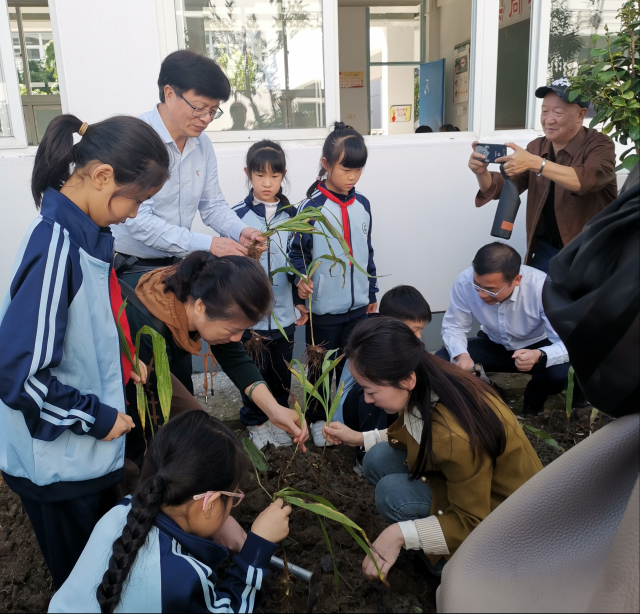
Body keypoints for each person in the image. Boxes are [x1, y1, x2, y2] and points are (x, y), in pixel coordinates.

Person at [0, 114, 170, 589]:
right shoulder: (56, 247)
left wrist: (121, 357)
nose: (135, 213)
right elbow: (19, 373)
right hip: (58, 464)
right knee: (81, 583)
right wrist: (94, 416)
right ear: (101, 177)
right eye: (135, 200)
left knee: (100, 572)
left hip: (81, 456)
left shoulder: (81, 236)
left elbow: (82, 323)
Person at [323, 318, 542, 579]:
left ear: (406, 380)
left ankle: (446, 566)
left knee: (391, 495)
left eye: (370, 391)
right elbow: (413, 430)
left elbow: (472, 521)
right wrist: (360, 438)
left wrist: (400, 534)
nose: (367, 400)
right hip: (471, 481)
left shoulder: (453, 435)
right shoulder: (429, 377)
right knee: (377, 457)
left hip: (503, 517)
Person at [49, 411, 292, 613]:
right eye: (233, 498)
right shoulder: (182, 578)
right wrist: (256, 550)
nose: (233, 506)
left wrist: (219, 521)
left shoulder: (120, 513)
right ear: (207, 504)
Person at [123, 251, 309, 464]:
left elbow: (235, 358)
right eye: (233, 330)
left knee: (193, 425)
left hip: (156, 364)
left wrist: (274, 410)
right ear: (201, 307)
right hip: (128, 375)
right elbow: (147, 414)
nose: (238, 338)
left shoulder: (203, 288)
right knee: (147, 443)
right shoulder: (147, 334)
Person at [112, 50, 264, 264]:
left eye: (213, 111)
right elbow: (139, 221)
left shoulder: (203, 144)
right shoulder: (138, 139)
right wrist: (208, 244)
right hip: (131, 262)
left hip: (176, 260)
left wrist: (240, 231)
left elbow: (213, 205)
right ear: (169, 94)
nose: (206, 119)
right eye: (199, 108)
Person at [289, 121, 378, 447]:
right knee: (321, 368)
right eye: (346, 169)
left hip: (358, 308)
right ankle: (317, 420)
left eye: (359, 169)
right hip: (324, 308)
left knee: (355, 365)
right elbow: (295, 254)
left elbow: (367, 252)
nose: (353, 177)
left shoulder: (363, 205)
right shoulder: (310, 208)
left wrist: (371, 293)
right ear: (326, 165)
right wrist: (300, 285)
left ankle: (344, 419)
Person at [469, 76, 617, 272]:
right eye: (545, 110)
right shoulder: (536, 147)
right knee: (536, 300)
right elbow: (505, 187)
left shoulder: (600, 145)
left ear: (581, 115)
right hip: (546, 251)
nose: (549, 119)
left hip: (591, 253)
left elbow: (585, 180)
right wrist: (481, 172)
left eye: (558, 111)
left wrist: (536, 163)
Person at [230, 140, 309, 449]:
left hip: (284, 315)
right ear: (248, 174)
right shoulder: (234, 217)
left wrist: (300, 294)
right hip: (249, 318)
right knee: (253, 372)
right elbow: (229, 268)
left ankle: (278, 420)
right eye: (259, 175)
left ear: (283, 175)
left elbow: (296, 261)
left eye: (274, 176)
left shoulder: (293, 216)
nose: (267, 182)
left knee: (279, 373)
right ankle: (255, 423)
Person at [435, 242, 570, 416]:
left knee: (559, 373)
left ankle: (533, 403)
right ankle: (492, 392)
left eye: (490, 290)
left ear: (517, 280)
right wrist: (462, 356)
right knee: (444, 361)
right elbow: (454, 326)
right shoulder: (464, 281)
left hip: (535, 346)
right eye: (477, 285)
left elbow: (567, 343)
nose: (481, 295)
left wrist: (540, 355)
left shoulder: (542, 287)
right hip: (494, 343)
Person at [335, 285, 432, 463]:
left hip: (392, 412)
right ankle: (365, 454)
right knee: (373, 395)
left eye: (421, 330)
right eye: (412, 330)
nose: (417, 337)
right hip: (357, 412)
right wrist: (339, 424)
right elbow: (344, 391)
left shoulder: (412, 354)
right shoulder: (370, 348)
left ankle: (387, 443)